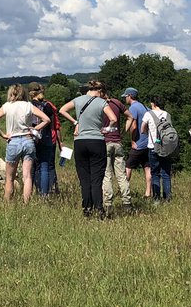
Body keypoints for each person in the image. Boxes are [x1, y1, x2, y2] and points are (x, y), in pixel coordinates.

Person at [59, 80, 119, 218]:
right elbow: (113, 118)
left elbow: (62, 110)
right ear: (100, 91)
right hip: (96, 141)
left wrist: (76, 122)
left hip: (80, 141)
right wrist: (106, 129)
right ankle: (99, 209)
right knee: (96, 179)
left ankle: (87, 210)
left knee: (84, 179)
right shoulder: (101, 102)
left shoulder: (78, 100)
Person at [0, 84, 51, 203]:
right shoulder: (28, 105)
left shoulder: (7, 106)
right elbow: (47, 119)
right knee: (27, 176)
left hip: (13, 141)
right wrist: (34, 129)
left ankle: (7, 203)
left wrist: (3, 134)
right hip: (28, 140)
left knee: (9, 177)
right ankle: (26, 203)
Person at [100, 87, 131, 212]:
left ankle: (108, 204)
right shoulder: (117, 103)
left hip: (105, 142)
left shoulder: (100, 105)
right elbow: (130, 117)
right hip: (117, 141)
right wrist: (123, 132)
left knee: (107, 175)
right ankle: (127, 202)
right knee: (121, 175)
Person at [27, 82, 59, 197]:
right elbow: (53, 124)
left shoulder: (28, 106)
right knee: (44, 166)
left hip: (32, 138)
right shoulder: (47, 106)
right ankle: (44, 194)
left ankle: (36, 190)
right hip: (46, 137)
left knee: (33, 166)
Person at [142, 96, 175, 202]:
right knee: (165, 172)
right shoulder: (167, 114)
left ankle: (156, 198)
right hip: (166, 147)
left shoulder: (148, 114)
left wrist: (148, 132)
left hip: (153, 147)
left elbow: (142, 129)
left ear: (153, 104)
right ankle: (167, 198)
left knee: (155, 173)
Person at [121, 87, 152, 199]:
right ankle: (148, 193)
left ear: (130, 96)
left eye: (125, 96)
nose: (125, 98)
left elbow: (133, 125)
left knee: (128, 167)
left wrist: (132, 140)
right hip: (148, 143)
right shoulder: (145, 107)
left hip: (139, 143)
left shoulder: (133, 108)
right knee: (147, 168)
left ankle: (124, 192)